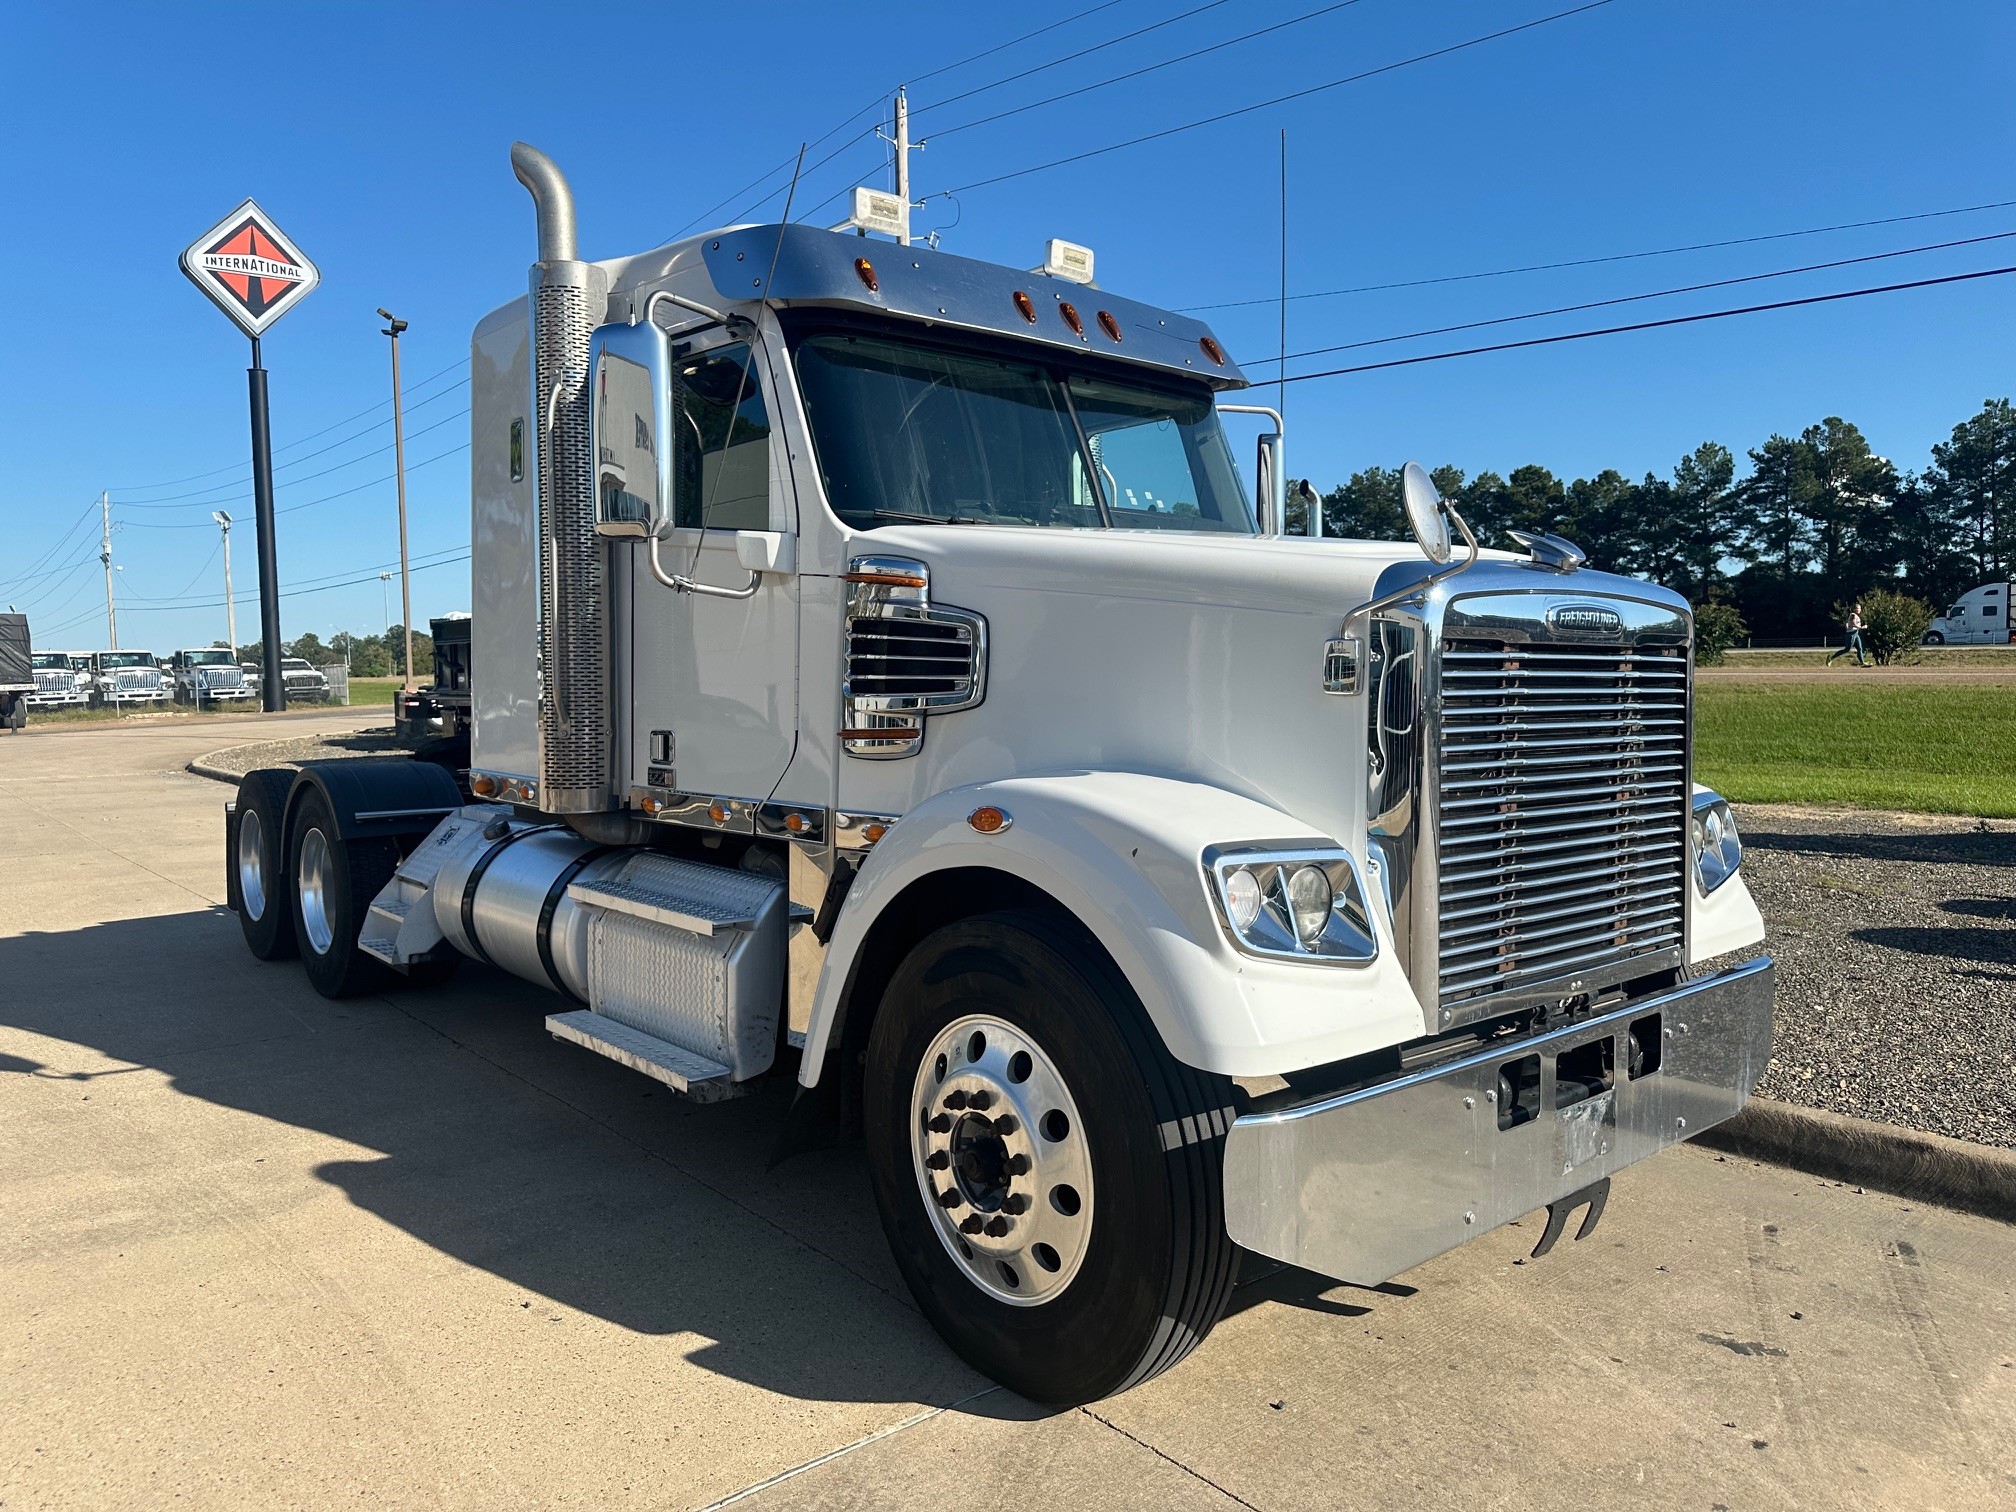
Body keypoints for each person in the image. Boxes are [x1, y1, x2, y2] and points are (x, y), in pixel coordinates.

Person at [1827, 601, 1869, 666]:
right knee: (1847, 649)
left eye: (1860, 608)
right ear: (1854, 609)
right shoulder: (1853, 615)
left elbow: (1848, 623)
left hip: (1855, 633)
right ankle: (1831, 658)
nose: (1860, 610)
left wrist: (1848, 626)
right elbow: (1853, 623)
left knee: (1859, 648)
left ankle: (1862, 662)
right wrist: (1862, 627)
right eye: (1858, 608)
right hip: (1851, 634)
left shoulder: (1855, 615)